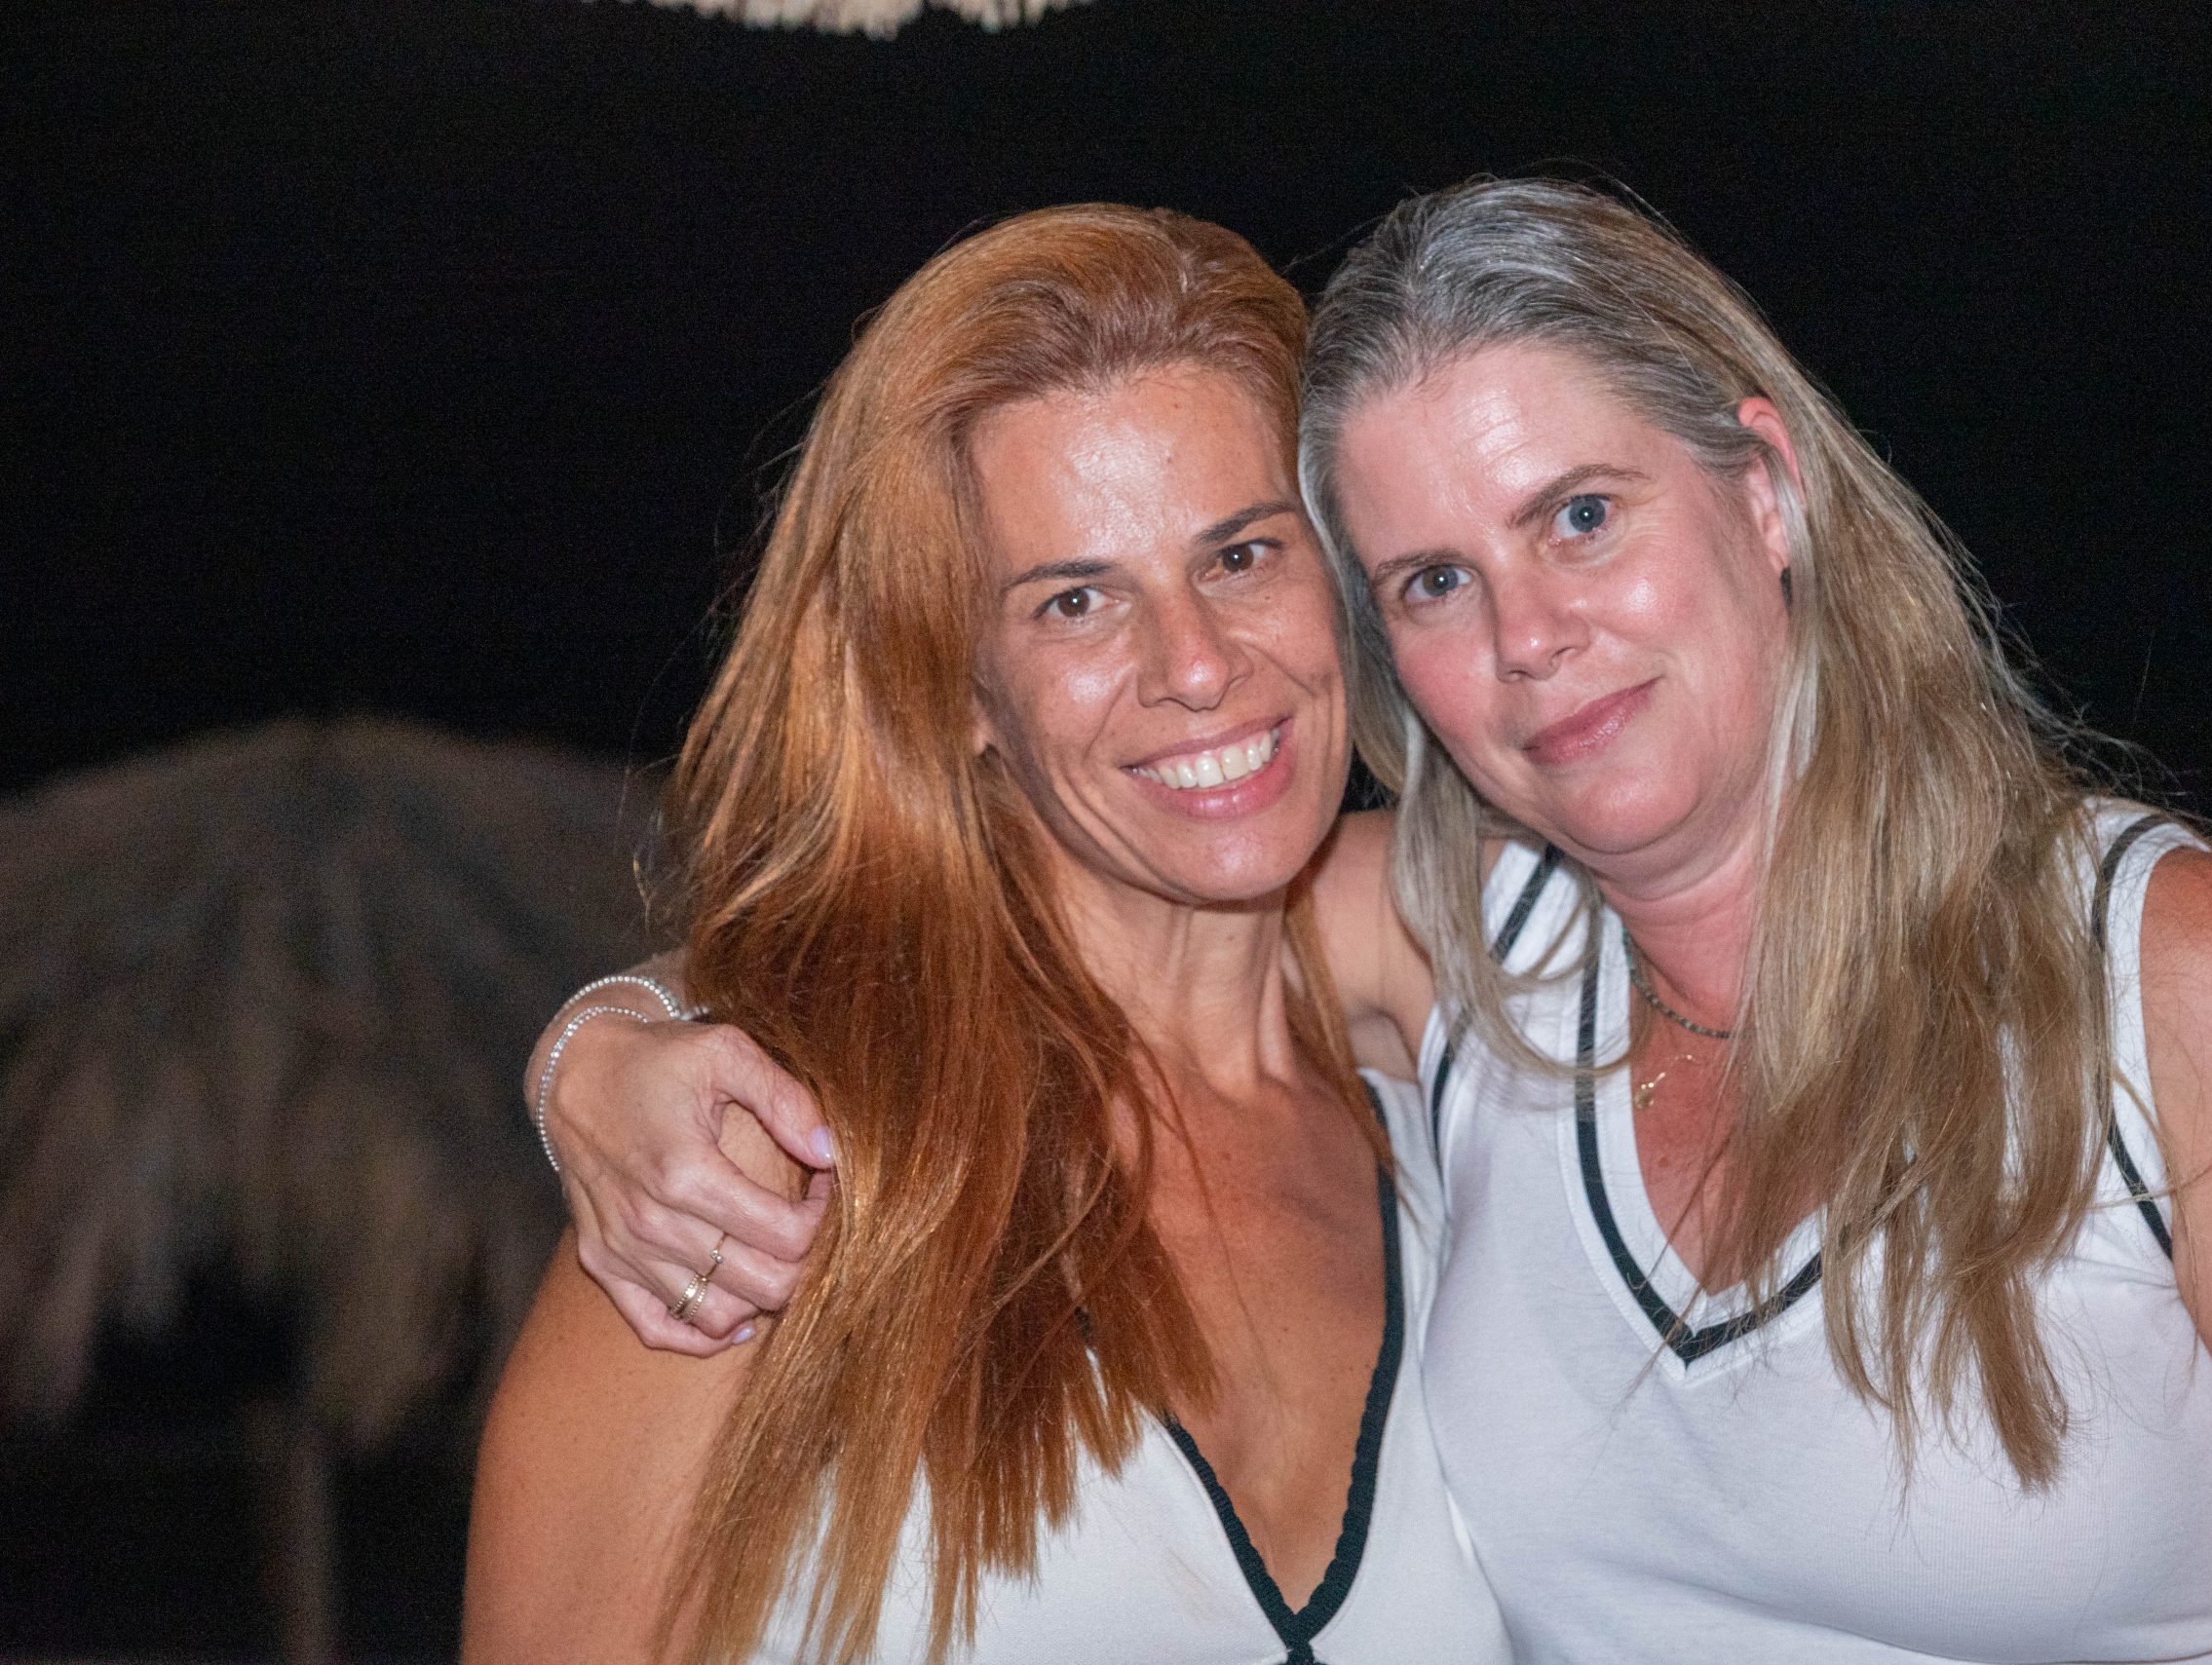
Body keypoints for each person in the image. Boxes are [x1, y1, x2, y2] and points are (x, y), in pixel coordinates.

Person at [529, 181, 2212, 1661]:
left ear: (1765, 487)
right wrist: (600, 1050)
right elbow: (982, 950)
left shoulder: (2160, 985)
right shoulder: (1454, 968)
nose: (1531, 632)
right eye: (1434, 579)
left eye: (1579, 515)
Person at [463, 205, 1514, 1665]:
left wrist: (589, 1032)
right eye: (1077, 599)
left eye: (1240, 554)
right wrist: (600, 1042)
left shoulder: (1466, 1112)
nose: (1197, 664)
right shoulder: (758, 1183)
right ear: (955, 690)